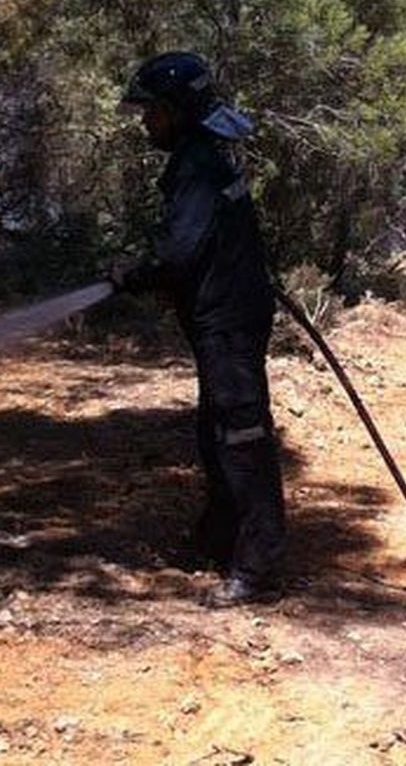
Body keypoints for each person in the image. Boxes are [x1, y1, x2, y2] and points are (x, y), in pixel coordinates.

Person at [111, 51, 284, 607]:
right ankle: (218, 538)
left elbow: (180, 255)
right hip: (229, 313)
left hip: (228, 320)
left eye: (152, 110)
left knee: (241, 435)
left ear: (178, 111)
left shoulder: (196, 166)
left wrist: (132, 274)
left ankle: (257, 570)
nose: (145, 121)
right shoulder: (204, 154)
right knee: (218, 430)